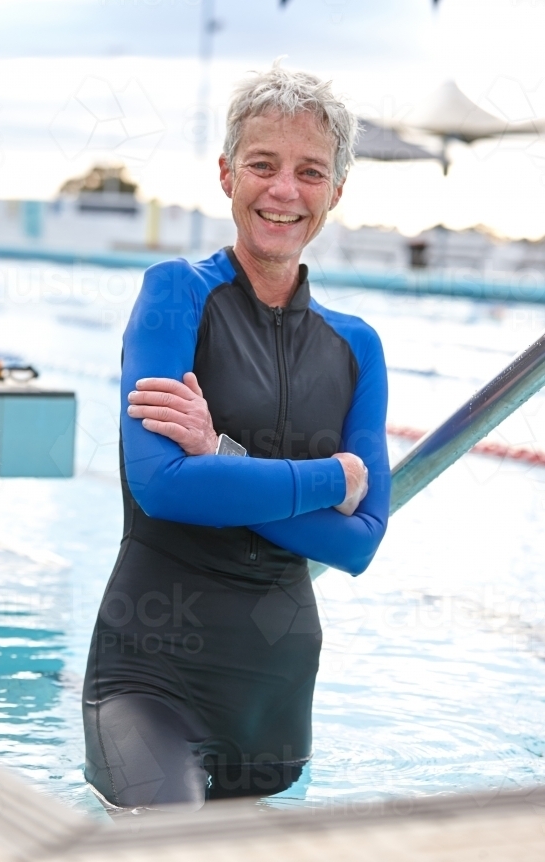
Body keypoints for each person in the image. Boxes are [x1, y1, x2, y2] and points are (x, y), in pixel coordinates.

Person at [83, 63, 390, 811]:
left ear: (335, 193)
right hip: (149, 678)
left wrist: (220, 458)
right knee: (172, 844)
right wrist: (331, 478)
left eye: (309, 171)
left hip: (275, 706)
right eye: (262, 164)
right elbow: (162, 487)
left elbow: (359, 543)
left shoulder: (356, 347)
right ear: (226, 175)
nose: (283, 190)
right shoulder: (175, 295)